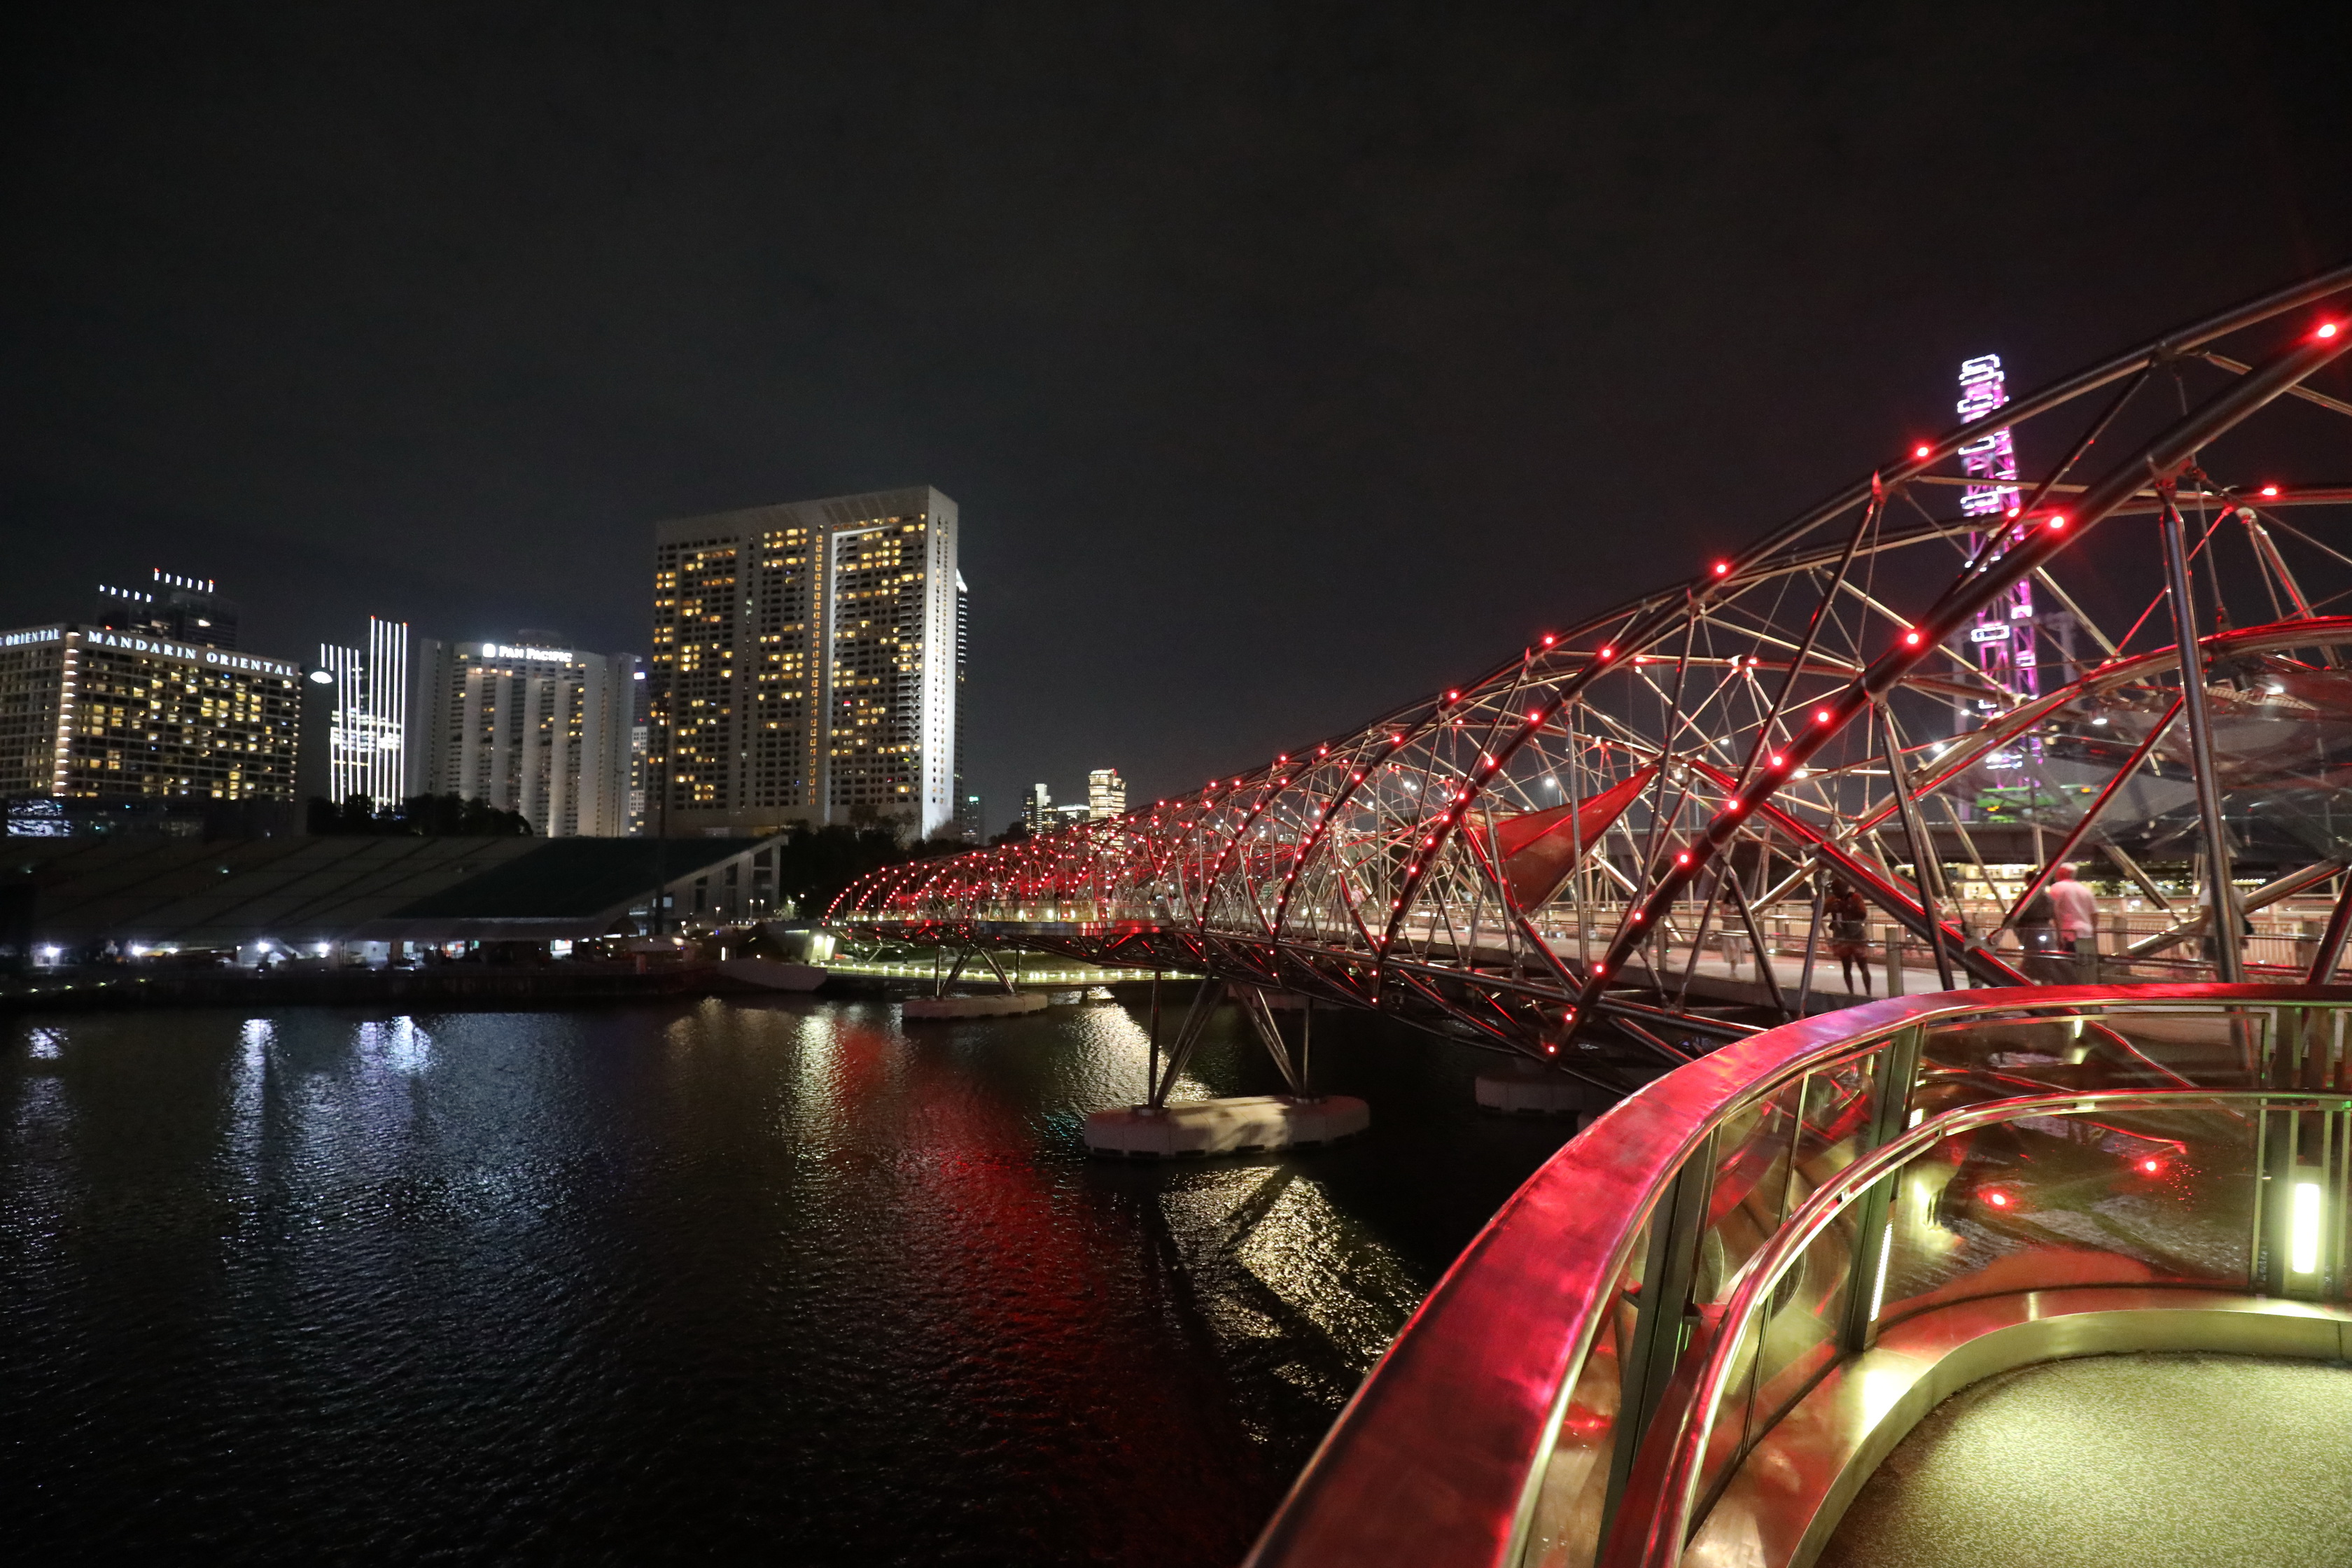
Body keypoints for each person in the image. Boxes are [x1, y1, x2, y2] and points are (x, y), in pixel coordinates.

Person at [2047, 862, 2099, 979]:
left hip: (2069, 934)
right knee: (2086, 966)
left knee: (2066, 968)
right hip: (2087, 934)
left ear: (2063, 873)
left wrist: (2059, 935)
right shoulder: (2085, 890)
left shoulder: (2058, 887)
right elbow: (2095, 914)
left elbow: (2055, 912)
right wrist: (2093, 930)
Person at [1826, 880, 1871, 995]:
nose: (1836, 892)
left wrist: (1848, 908)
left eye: (1839, 889)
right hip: (1841, 936)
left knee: (1863, 965)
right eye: (1835, 889)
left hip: (1856, 936)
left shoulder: (1856, 898)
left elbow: (1863, 915)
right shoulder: (1832, 901)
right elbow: (1822, 911)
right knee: (1846, 967)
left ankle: (1868, 993)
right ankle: (1851, 993)